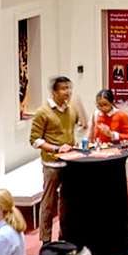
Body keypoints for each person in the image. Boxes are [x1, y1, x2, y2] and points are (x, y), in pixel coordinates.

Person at [29, 75, 87, 242]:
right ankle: (46, 240)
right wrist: (56, 148)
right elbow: (34, 140)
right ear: (54, 91)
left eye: (69, 88)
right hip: (51, 164)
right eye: (63, 89)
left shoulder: (71, 110)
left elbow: (82, 125)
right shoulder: (43, 112)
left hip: (70, 163)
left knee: (67, 203)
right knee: (48, 203)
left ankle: (65, 237)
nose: (67, 92)